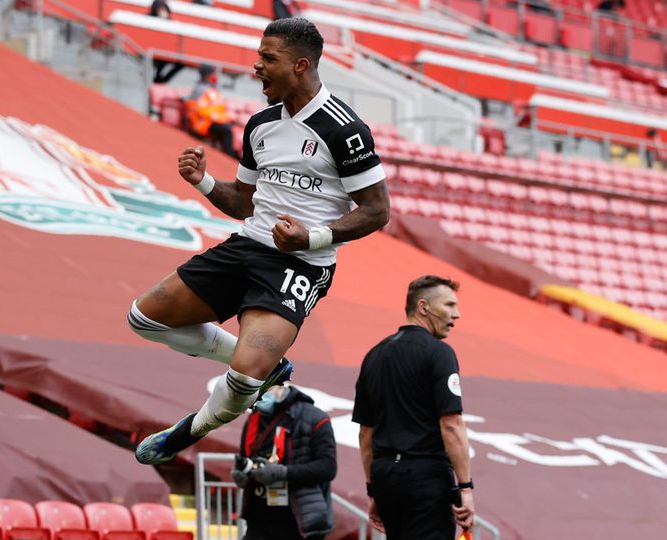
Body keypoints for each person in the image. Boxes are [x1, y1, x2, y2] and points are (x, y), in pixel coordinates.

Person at [130, 17, 389, 466]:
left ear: (301, 65)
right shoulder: (260, 124)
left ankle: (192, 429)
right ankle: (270, 368)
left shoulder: (345, 130)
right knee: (144, 319)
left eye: (269, 58)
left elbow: (377, 210)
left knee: (243, 375)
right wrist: (204, 181)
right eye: (258, 56)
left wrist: (313, 237)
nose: (256, 67)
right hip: (247, 246)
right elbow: (244, 202)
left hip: (301, 266)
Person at [352, 275, 475, 539]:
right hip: (425, 477)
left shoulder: (374, 355)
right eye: (450, 305)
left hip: (386, 478)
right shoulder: (439, 352)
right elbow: (451, 424)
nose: (458, 314)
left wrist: (373, 491)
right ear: (423, 307)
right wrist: (465, 488)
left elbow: (366, 434)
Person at [231, 384, 337, 539]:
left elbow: (328, 467)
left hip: (299, 521)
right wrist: (241, 474)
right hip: (259, 520)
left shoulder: (315, 418)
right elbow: (245, 457)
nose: (258, 395)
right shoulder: (253, 419)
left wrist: (282, 473)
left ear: (280, 384)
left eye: (264, 388)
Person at [186, 64, 239, 159]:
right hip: (203, 123)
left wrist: (227, 117)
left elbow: (219, 107)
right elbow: (201, 110)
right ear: (208, 75)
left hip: (211, 120)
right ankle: (229, 157)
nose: (215, 76)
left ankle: (231, 153)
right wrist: (221, 118)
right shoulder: (201, 89)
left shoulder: (209, 88)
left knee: (229, 127)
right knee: (227, 130)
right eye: (213, 73)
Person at [149, 0, 185, 83]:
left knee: (179, 63)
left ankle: (161, 80)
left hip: (166, 50)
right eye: (160, 9)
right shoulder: (149, 18)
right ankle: (159, 80)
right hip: (153, 49)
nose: (162, 11)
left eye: (164, 9)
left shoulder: (170, 22)